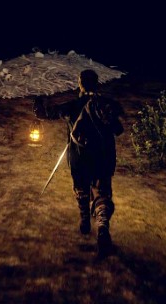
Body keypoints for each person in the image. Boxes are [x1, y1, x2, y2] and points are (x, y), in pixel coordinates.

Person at [34, 69, 124, 257]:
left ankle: (84, 220)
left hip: (79, 158)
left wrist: (38, 99)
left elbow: (44, 114)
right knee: (102, 193)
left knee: (81, 189)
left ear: (80, 84)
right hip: (103, 157)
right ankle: (102, 227)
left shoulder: (72, 106)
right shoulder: (107, 104)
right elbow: (119, 129)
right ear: (97, 83)